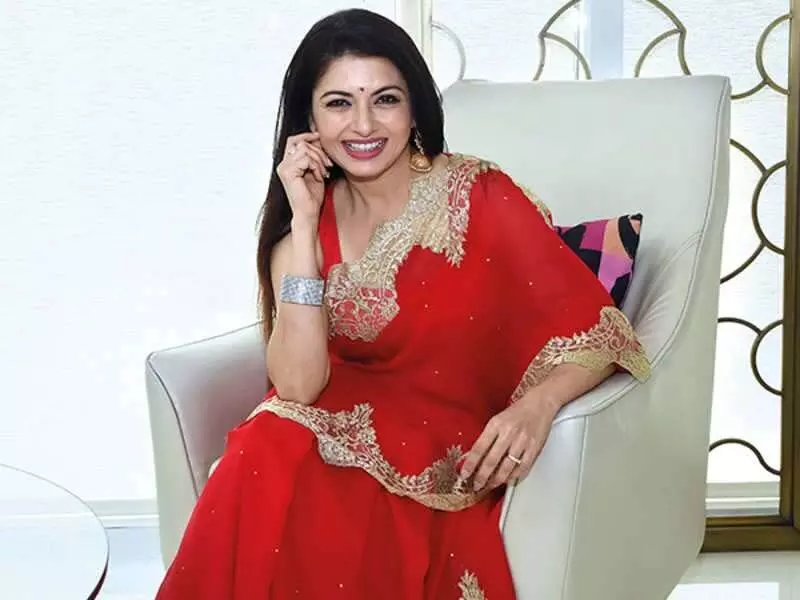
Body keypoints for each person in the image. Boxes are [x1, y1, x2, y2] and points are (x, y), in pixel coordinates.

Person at [155, 8, 650, 599]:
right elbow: (298, 387)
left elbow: (598, 333)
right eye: (339, 103)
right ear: (308, 121)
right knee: (268, 443)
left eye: (384, 99)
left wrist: (536, 406)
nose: (363, 124)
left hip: (437, 450)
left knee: (293, 470)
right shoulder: (302, 233)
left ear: (414, 108)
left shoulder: (477, 195)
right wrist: (306, 225)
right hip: (315, 430)